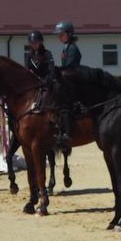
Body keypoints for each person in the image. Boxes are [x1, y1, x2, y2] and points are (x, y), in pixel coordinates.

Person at [53, 21, 81, 150]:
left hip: (73, 80)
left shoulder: (73, 48)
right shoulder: (66, 47)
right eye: (58, 35)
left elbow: (69, 66)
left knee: (65, 105)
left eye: (61, 34)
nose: (59, 37)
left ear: (69, 34)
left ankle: (67, 133)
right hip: (67, 79)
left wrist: (58, 70)